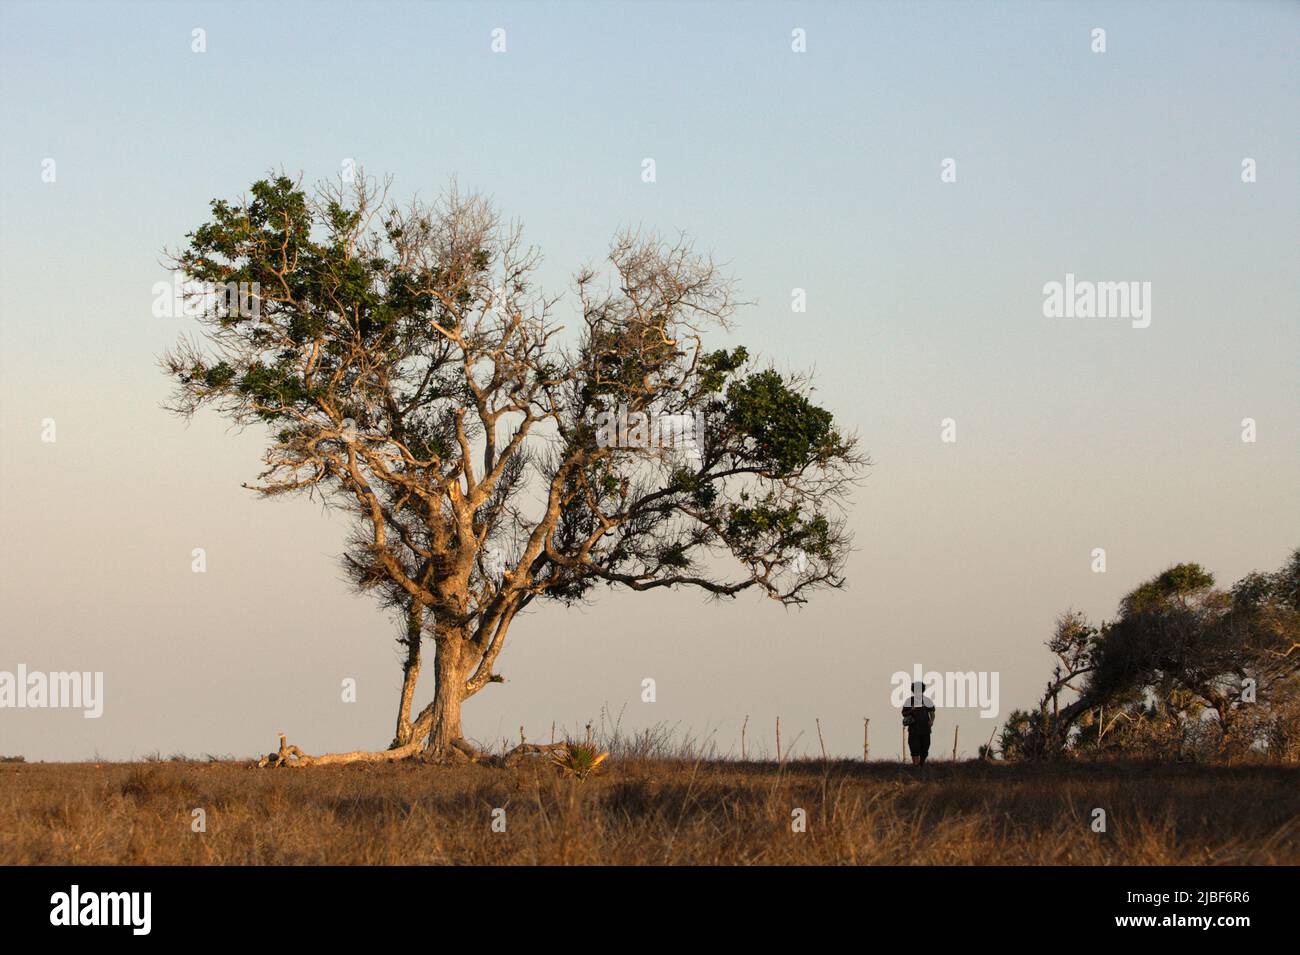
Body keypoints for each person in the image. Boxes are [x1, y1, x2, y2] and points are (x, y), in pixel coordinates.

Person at [901, 681, 936, 765]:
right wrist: (911, 710)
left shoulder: (927, 700)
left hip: (925, 729)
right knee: (914, 749)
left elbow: (932, 713)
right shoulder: (909, 701)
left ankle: (921, 765)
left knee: (925, 749)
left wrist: (931, 721)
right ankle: (916, 767)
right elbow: (903, 713)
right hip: (913, 729)